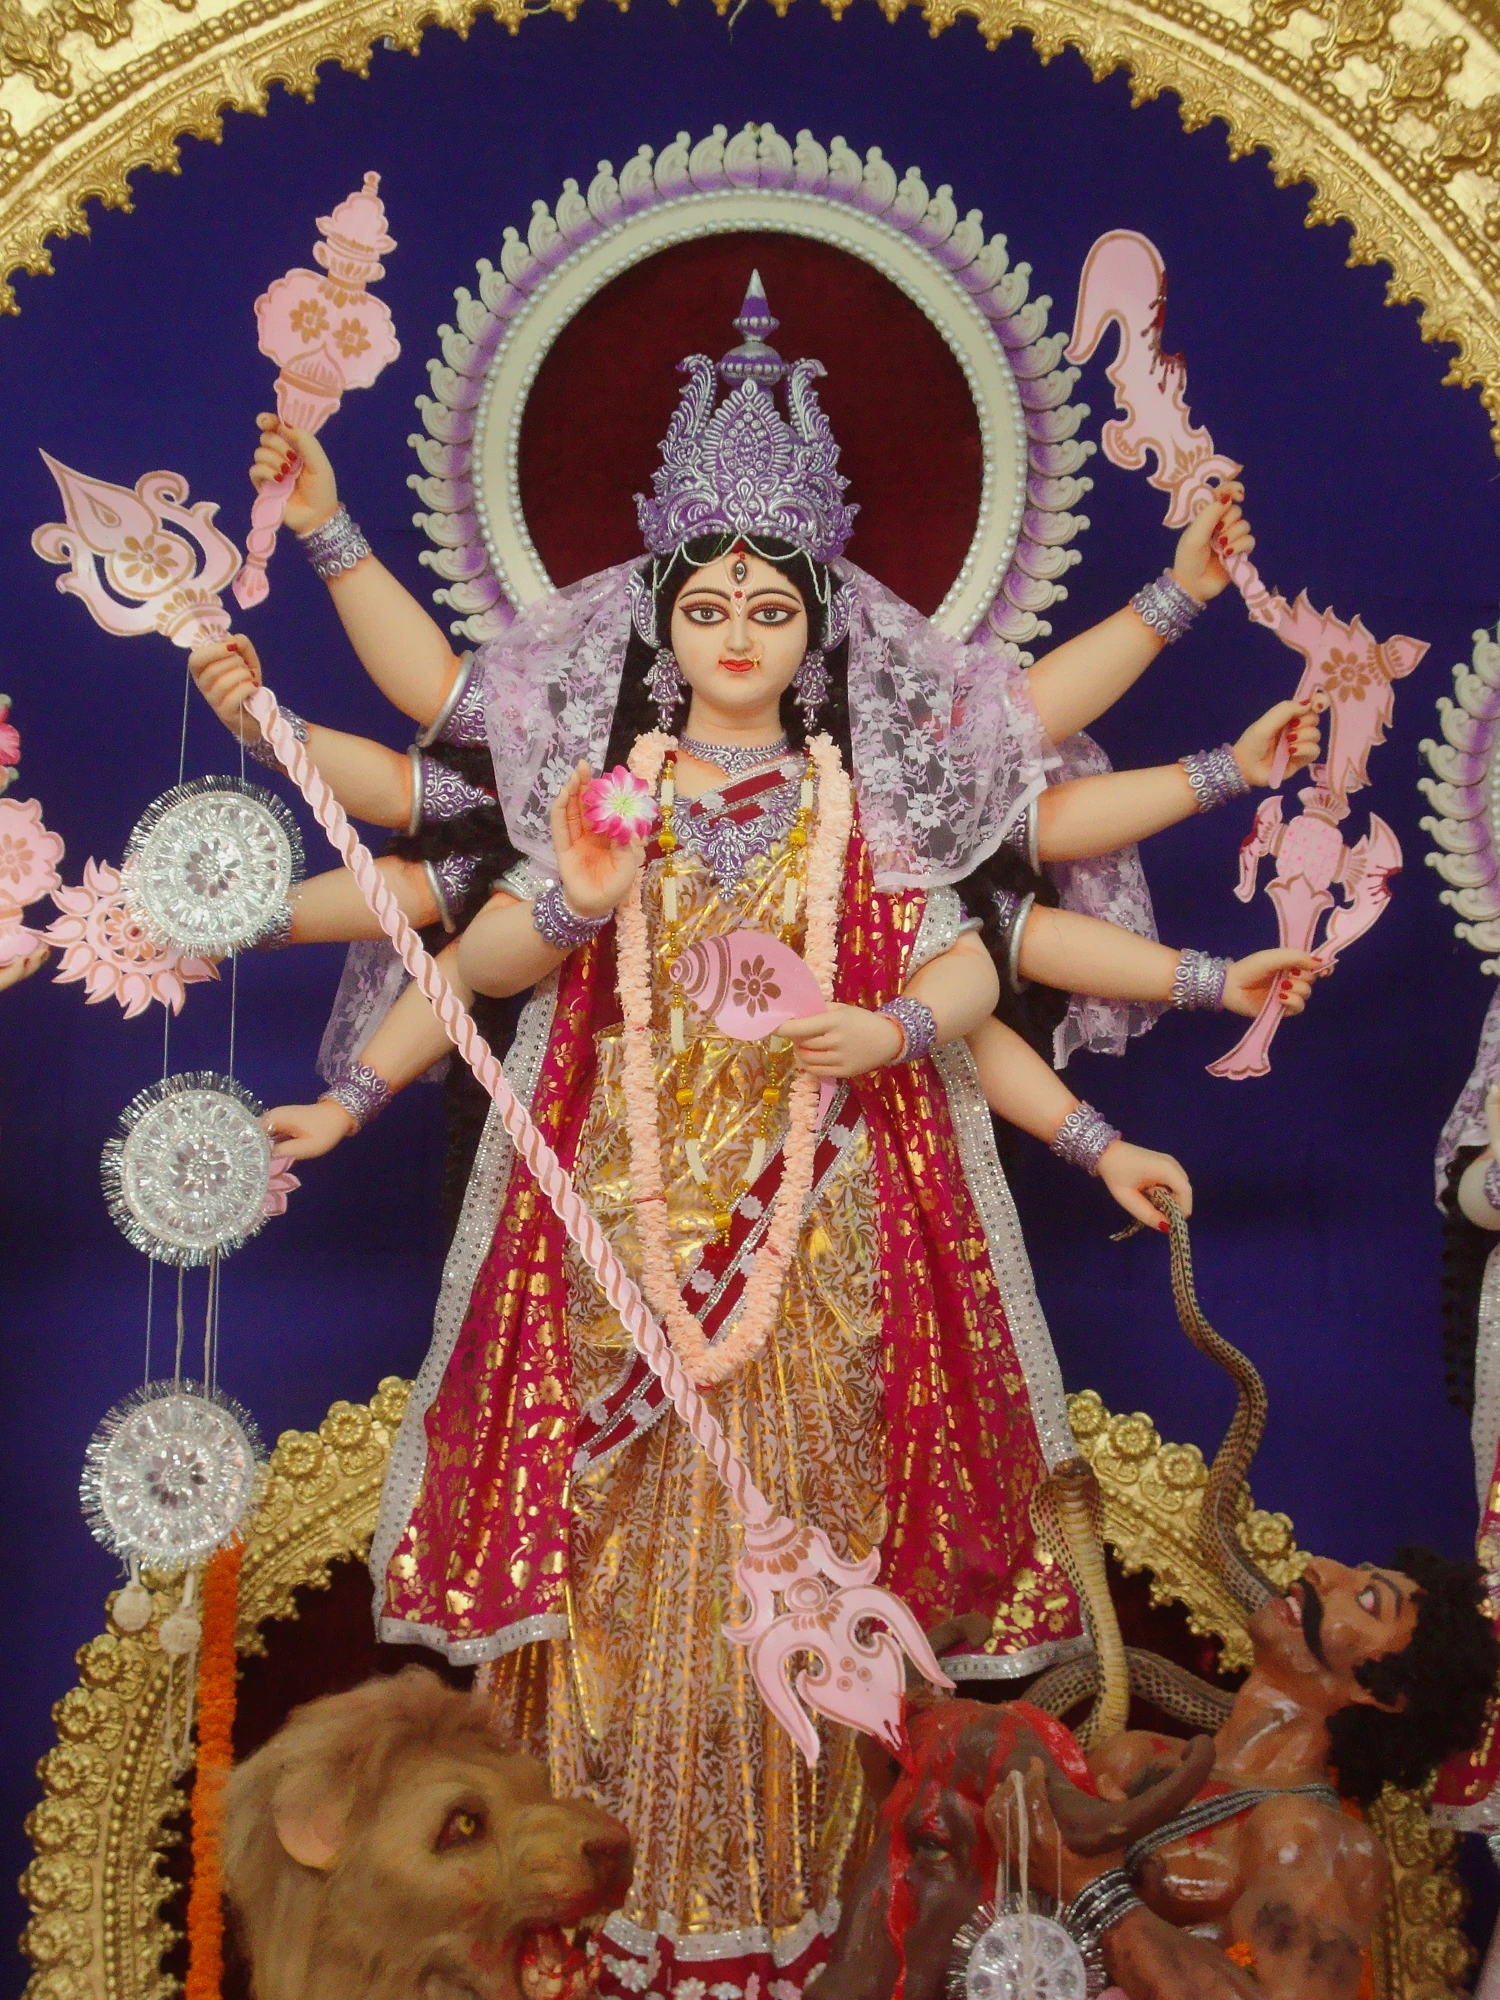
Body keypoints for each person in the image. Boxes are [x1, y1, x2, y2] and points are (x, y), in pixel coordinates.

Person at [189, 279, 1322, 1996]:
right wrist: (528, 944)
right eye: (709, 605)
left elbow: (975, 960)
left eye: (771, 608)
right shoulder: (607, 801)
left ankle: (803, 1937)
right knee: (611, 1585)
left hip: (817, 1267)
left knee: (809, 1588)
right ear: (664, 625)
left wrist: (989, 1082)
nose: (739, 634)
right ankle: (590, 1935)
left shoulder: (862, 808)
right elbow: (477, 957)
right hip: (610, 1253)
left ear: (817, 631)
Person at [1013, 1550, 1499, 1999]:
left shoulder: (1317, 1843)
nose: (1321, 1566)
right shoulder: (1135, 1756)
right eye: (1354, 1571)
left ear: (1386, 1693)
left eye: (1368, 1601)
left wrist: (1094, 1891)